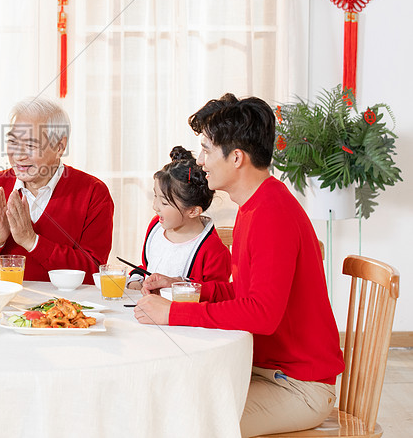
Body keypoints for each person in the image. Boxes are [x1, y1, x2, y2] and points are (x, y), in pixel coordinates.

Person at [134, 94, 344, 437]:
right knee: (167, 396)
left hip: (298, 387)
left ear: (236, 158)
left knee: (185, 422)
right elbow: (245, 291)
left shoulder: (271, 214)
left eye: (206, 150)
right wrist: (185, 288)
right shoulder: (254, 205)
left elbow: (261, 313)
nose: (200, 162)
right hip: (264, 369)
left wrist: (172, 313)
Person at [0, 97, 114, 282]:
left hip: (63, 308)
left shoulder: (93, 193)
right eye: (13, 142)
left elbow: (93, 273)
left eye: (30, 145)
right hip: (1, 307)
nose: (18, 156)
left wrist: (32, 241)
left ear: (60, 147)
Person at [127, 145, 230, 290]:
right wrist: (136, 282)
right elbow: (146, 267)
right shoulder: (155, 226)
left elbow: (217, 293)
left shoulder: (214, 251)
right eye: (155, 196)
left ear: (193, 211)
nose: (155, 207)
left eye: (164, 202)